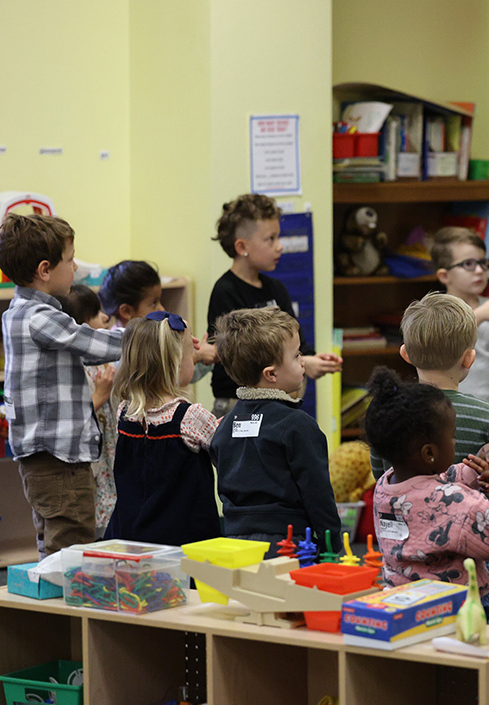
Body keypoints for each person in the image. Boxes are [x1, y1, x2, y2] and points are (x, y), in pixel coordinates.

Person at [0, 214, 124, 557]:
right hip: (58, 459)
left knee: (54, 544)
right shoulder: (39, 318)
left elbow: (86, 354)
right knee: (71, 544)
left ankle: (55, 607)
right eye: (70, 261)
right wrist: (146, 336)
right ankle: (67, 611)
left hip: (48, 458)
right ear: (44, 270)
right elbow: (91, 344)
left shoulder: (20, 312)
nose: (76, 269)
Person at [364, 365, 489, 622]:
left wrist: (478, 470)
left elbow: (435, 484)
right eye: (451, 437)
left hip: (400, 603)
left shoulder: (385, 488)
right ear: (429, 453)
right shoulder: (462, 505)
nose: (454, 442)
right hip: (455, 610)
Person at [210, 306, 342, 558]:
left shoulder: (224, 425)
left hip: (234, 545)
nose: (303, 360)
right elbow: (319, 497)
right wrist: (332, 548)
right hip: (287, 546)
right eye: (296, 356)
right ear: (271, 374)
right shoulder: (297, 425)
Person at [368, 292, 489, 494]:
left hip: (404, 521)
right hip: (469, 524)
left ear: (405, 354)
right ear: (469, 359)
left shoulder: (388, 411)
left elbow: (381, 475)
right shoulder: (484, 415)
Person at [208, 193, 341, 417]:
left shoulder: (276, 288)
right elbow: (240, 355)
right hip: (238, 405)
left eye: (278, 237)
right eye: (271, 239)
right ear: (242, 247)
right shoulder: (225, 291)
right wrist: (304, 363)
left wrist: (312, 359)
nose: (280, 247)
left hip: (279, 405)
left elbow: (296, 340)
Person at [107, 311, 220, 545]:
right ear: (176, 363)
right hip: (183, 540)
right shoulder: (191, 417)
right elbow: (226, 455)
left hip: (131, 536)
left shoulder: (125, 413)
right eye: (192, 354)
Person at [431, 226, 489, 413]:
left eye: (483, 263)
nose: (479, 271)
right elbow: (440, 342)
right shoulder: (436, 310)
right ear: (444, 275)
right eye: (468, 264)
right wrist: (480, 316)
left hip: (488, 407)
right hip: (446, 408)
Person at [58, 284, 117, 539]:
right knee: (96, 510)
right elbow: (74, 414)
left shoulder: (103, 360)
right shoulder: (74, 367)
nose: (105, 317)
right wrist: (100, 396)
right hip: (92, 457)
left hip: (110, 449)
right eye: (96, 313)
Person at [100, 260, 216, 381]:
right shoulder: (122, 350)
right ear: (126, 312)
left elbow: (187, 376)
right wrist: (195, 356)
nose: (162, 308)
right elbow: (159, 381)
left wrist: (205, 356)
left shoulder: (154, 337)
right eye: (153, 303)